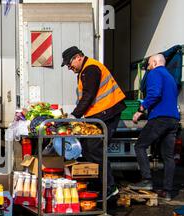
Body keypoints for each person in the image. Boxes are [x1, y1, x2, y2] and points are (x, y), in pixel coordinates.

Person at [61, 46, 126, 200]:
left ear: (78, 57)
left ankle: (110, 187)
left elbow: (89, 95)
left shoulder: (91, 69)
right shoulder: (85, 70)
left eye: (70, 64)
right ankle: (99, 185)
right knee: (88, 147)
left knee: (95, 148)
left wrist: (74, 115)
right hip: (100, 114)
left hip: (108, 112)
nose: (70, 68)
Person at [128, 54, 181, 201]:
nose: (148, 67)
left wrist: (140, 109)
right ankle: (167, 191)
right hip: (173, 119)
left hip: (160, 118)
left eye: (150, 63)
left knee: (140, 146)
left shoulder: (154, 73)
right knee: (168, 156)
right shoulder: (170, 77)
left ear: (156, 62)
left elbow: (154, 93)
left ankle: (146, 180)